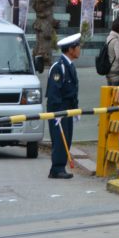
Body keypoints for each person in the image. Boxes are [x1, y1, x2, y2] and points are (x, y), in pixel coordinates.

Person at [46, 33, 81, 179]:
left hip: (68, 107)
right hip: (59, 108)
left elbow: (72, 90)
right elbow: (54, 92)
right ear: (71, 49)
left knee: (67, 137)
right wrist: (57, 113)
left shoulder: (69, 66)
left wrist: (75, 109)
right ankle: (57, 168)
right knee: (60, 138)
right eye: (78, 47)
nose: (79, 50)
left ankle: (61, 166)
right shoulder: (59, 67)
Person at [105, 18, 119, 86]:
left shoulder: (109, 38)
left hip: (109, 72)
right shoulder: (116, 40)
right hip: (117, 73)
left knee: (110, 95)